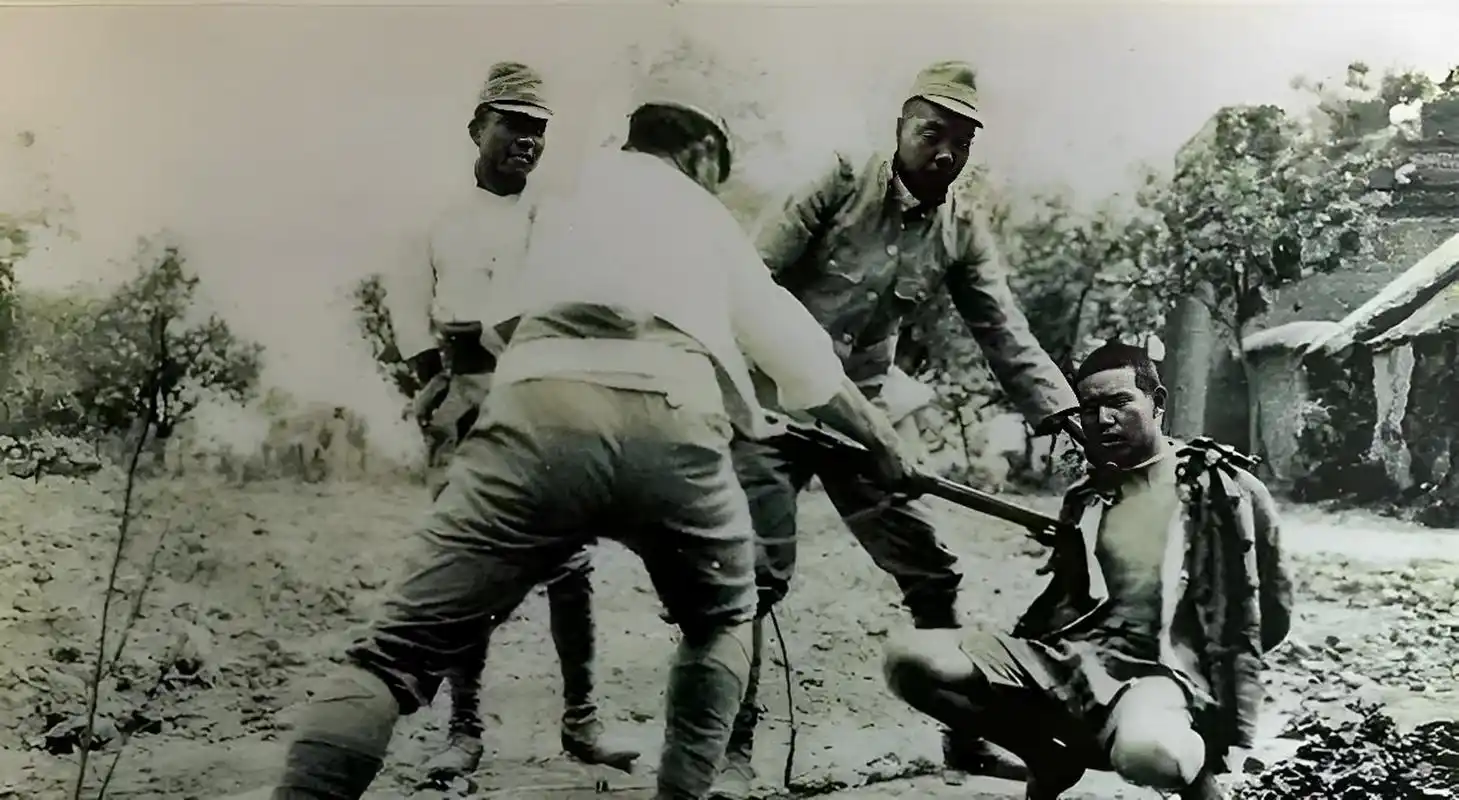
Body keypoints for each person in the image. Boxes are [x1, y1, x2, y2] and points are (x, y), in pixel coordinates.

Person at [272, 93, 921, 800]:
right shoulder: (707, 217)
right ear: (703, 150)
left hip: (541, 412)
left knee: (390, 657)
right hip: (672, 420)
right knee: (723, 620)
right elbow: (799, 355)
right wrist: (883, 444)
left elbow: (480, 321)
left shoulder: (552, 198)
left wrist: (454, 383)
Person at [708, 60, 1081, 797]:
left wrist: (1063, 416)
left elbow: (1002, 330)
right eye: (930, 133)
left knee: (931, 572)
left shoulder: (960, 229)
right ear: (899, 129)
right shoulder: (839, 181)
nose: (944, 152)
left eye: (960, 140)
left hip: (859, 424)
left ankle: (964, 742)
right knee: (753, 581)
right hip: (769, 410)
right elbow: (750, 286)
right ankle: (731, 754)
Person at [880, 341, 1294, 800]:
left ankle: (1195, 774)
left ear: (1157, 404)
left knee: (1152, 755)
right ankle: (1045, 756)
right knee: (911, 659)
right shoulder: (1086, 495)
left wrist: (1203, 673)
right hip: (1069, 663)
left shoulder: (1224, 487)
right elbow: (1066, 597)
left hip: (1158, 677)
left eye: (1119, 402)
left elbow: (1271, 613)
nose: (1103, 419)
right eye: (1090, 408)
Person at [385, 61, 637, 778]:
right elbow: (412, 309)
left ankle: (582, 724)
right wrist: (436, 383)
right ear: (476, 128)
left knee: (572, 563)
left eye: (538, 131)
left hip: (545, 391)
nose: (527, 142)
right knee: (468, 565)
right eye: (513, 126)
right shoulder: (436, 221)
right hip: (466, 391)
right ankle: (462, 730)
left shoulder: (555, 217)